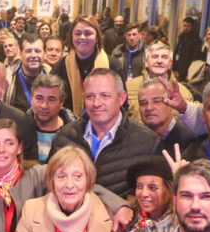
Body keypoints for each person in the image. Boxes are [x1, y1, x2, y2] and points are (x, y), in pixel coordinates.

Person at [49, 68, 162, 197]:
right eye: (90, 96)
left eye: (105, 96)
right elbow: (49, 185)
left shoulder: (147, 142)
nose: (96, 103)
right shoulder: (65, 137)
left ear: (121, 98)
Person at [52, 16, 109, 116]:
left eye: (88, 33)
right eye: (77, 33)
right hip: (69, 126)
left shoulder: (111, 64)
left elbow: (122, 102)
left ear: (97, 38)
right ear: (71, 37)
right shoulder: (60, 66)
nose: (82, 37)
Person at [125, 42, 195, 122]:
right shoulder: (128, 87)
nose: (159, 61)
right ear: (146, 62)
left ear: (170, 64)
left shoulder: (184, 93)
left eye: (164, 57)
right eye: (155, 57)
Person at [27, 74, 77, 164]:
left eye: (51, 99)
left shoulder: (76, 133)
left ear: (61, 103)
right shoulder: (19, 129)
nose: (44, 105)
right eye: (39, 98)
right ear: (31, 99)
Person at [137, 78, 195, 152]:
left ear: (170, 103)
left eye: (156, 101)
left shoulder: (189, 141)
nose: (149, 108)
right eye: (143, 103)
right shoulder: (135, 140)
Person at [3, 34, 51, 112]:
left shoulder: (53, 76)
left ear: (45, 54)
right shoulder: (7, 78)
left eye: (38, 51)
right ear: (21, 54)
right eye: (28, 51)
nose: (33, 55)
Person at [173, 17, 203, 82]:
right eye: (184, 26)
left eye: (188, 26)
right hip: (178, 69)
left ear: (192, 27)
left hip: (187, 71)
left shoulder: (196, 40)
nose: (185, 28)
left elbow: (195, 58)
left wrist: (190, 73)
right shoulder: (182, 36)